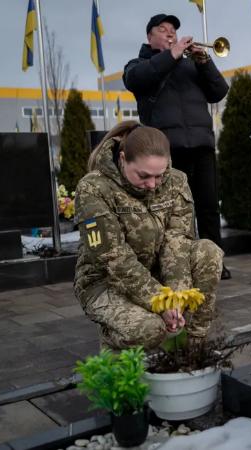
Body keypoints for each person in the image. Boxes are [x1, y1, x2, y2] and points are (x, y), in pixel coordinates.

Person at [73, 121, 223, 350]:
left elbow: (177, 241)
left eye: (159, 175)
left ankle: (191, 345)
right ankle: (112, 336)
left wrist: (177, 298)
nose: (152, 184)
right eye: (143, 176)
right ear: (123, 159)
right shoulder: (94, 188)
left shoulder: (176, 180)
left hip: (156, 273)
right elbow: (112, 258)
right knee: (150, 330)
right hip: (106, 281)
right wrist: (160, 300)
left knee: (208, 252)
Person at [123, 14, 231, 280]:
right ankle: (176, 264)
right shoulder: (139, 64)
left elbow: (219, 91)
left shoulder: (191, 65)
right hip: (166, 152)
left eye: (173, 30)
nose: (170, 33)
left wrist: (204, 61)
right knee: (173, 211)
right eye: (163, 29)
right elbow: (137, 79)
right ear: (150, 36)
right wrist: (171, 54)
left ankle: (214, 262)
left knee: (208, 208)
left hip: (201, 145)